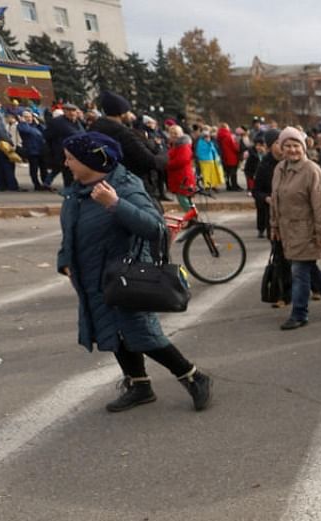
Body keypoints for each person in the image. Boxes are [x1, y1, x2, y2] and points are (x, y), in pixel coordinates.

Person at [55, 132, 213, 413]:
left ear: (93, 160)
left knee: (143, 334)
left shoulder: (125, 187)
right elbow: (70, 231)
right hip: (92, 278)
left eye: (71, 159)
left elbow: (155, 228)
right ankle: (139, 385)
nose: (66, 164)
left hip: (125, 277)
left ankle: (194, 378)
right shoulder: (76, 191)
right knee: (111, 331)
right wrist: (65, 259)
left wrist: (115, 204)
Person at [268, 127, 321, 330]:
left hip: (307, 231)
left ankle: (299, 313)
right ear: (281, 148)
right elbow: (275, 200)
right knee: (308, 269)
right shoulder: (279, 169)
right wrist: (274, 225)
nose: (292, 150)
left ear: (303, 148)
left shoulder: (312, 171)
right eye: (288, 146)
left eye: (296, 146)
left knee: (299, 271)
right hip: (288, 231)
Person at [91, 91, 159, 193]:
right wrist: (162, 151)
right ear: (121, 113)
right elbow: (149, 160)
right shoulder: (122, 133)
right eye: (128, 111)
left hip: (104, 183)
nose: (131, 115)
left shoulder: (94, 128)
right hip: (130, 185)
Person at [16, 111, 48, 191]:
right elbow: (27, 131)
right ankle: (36, 185)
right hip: (31, 150)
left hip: (41, 149)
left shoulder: (36, 125)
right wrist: (23, 122)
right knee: (34, 169)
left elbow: (45, 131)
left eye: (30, 116)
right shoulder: (21, 126)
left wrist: (39, 124)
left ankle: (46, 184)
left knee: (44, 169)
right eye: (26, 117)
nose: (29, 118)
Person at [217, 122, 241, 191]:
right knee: (233, 173)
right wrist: (238, 148)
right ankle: (234, 186)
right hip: (232, 157)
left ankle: (228, 185)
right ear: (226, 128)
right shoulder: (229, 136)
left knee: (226, 173)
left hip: (224, 157)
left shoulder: (219, 136)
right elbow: (234, 147)